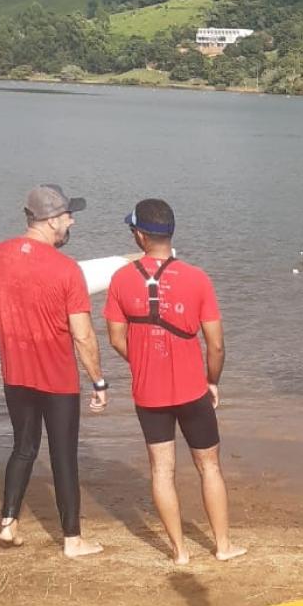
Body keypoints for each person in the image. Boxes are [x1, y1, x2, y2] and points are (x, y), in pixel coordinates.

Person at [103, 197, 245, 565]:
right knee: (209, 466)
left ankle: (180, 552)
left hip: (148, 394)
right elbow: (216, 344)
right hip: (192, 389)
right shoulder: (197, 278)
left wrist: (143, 361)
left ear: (139, 235)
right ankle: (223, 545)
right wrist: (213, 381)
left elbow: (116, 337)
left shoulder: (120, 279)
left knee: (161, 470)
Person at [0, 185, 106, 557]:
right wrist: (99, 381)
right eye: (67, 217)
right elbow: (82, 335)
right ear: (50, 221)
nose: (72, 222)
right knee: (63, 454)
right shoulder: (67, 269)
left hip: (15, 374)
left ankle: (8, 521)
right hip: (58, 379)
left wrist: (20, 314)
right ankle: (73, 539)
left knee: (23, 447)